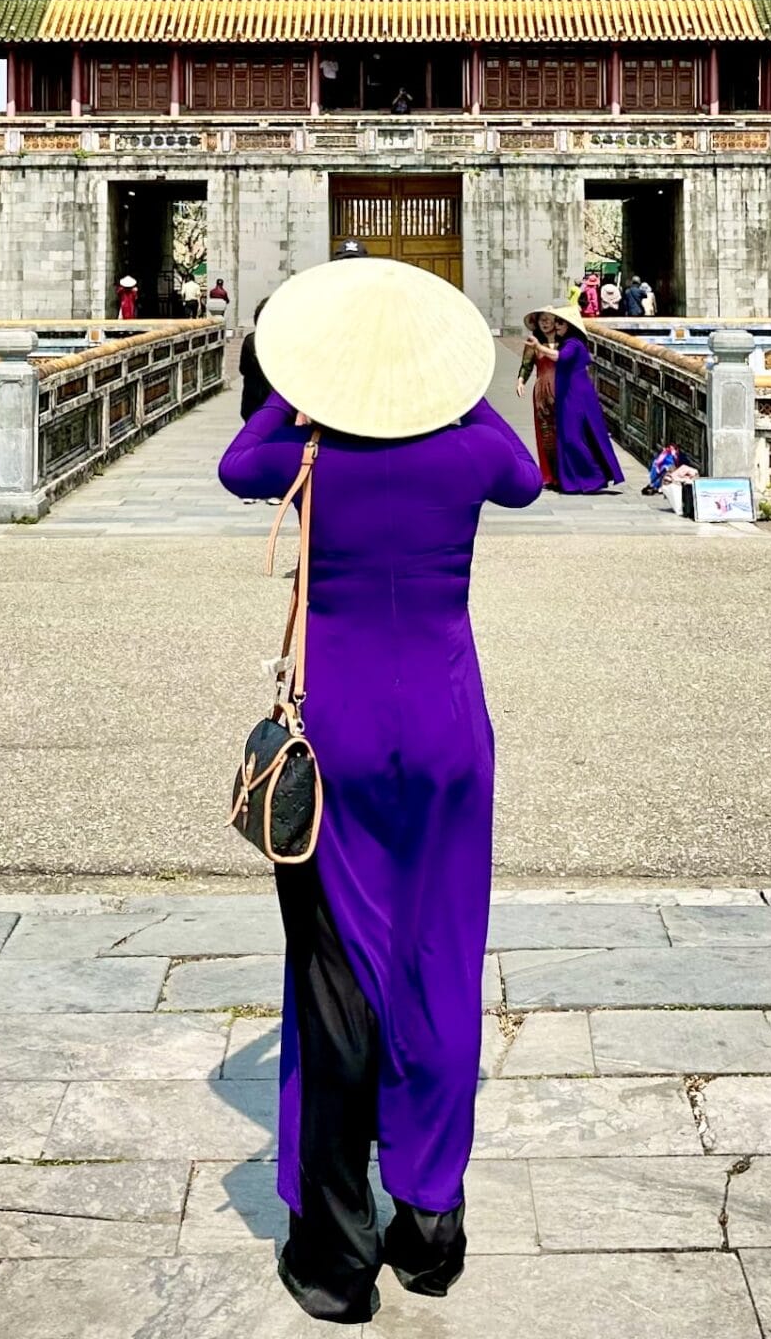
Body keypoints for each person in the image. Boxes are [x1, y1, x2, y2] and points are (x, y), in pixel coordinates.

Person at [220, 259, 543, 1322]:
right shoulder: (466, 453)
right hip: (450, 729)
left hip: (340, 734)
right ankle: (431, 1229)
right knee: (441, 962)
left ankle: (336, 1257)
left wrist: (295, 385)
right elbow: (525, 474)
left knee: (334, 981)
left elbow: (236, 459)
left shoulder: (307, 454)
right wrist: (462, 387)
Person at [518, 303, 624, 494]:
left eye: (559, 322)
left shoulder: (573, 344)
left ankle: (592, 478)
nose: (555, 326)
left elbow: (560, 357)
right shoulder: (566, 342)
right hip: (562, 394)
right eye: (553, 322)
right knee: (559, 437)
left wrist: (539, 346)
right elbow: (527, 365)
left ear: (568, 326)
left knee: (571, 438)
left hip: (575, 396)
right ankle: (567, 478)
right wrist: (521, 380)